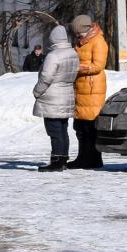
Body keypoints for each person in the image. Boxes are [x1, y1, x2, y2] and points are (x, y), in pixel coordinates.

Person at [32, 22, 79, 171]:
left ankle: (56, 161)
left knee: (54, 131)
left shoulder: (53, 56)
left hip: (52, 98)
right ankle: (63, 158)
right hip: (66, 95)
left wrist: (37, 92)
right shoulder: (72, 53)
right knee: (62, 129)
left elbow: (46, 77)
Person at [70, 14, 108, 169]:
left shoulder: (98, 42)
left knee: (90, 127)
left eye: (80, 32)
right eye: (76, 33)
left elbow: (98, 66)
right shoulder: (80, 43)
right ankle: (82, 157)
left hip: (93, 90)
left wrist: (79, 68)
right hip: (81, 88)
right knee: (80, 126)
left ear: (87, 29)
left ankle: (93, 159)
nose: (78, 35)